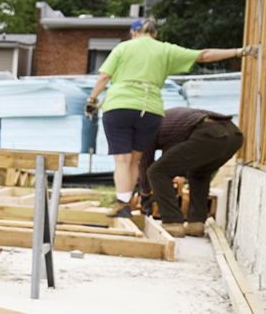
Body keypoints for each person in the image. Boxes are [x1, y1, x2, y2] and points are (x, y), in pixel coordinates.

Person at [84, 18, 254, 218]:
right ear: (154, 34)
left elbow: (104, 76)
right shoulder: (165, 50)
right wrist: (239, 52)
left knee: (122, 160)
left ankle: (123, 206)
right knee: (134, 161)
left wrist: (92, 99)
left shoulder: (124, 48)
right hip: (150, 109)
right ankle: (126, 203)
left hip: (120, 105)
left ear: (133, 33)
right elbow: (203, 55)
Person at [135, 107, 242, 237]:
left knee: (156, 172)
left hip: (209, 133)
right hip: (234, 135)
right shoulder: (164, 122)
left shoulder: (144, 129)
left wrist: (145, 193)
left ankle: (172, 222)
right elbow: (170, 157)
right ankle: (196, 223)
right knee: (199, 174)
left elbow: (145, 164)